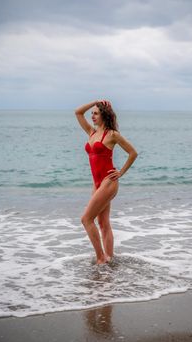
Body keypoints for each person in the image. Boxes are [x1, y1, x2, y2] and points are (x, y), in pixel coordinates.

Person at [75, 100, 138, 264]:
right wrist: (95, 102)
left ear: (104, 114)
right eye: (92, 113)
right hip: (96, 183)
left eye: (96, 113)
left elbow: (133, 153)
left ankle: (101, 258)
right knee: (103, 223)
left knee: (86, 219)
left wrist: (121, 172)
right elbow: (78, 112)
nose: (92, 116)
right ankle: (109, 258)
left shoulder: (112, 134)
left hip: (108, 182)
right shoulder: (91, 132)